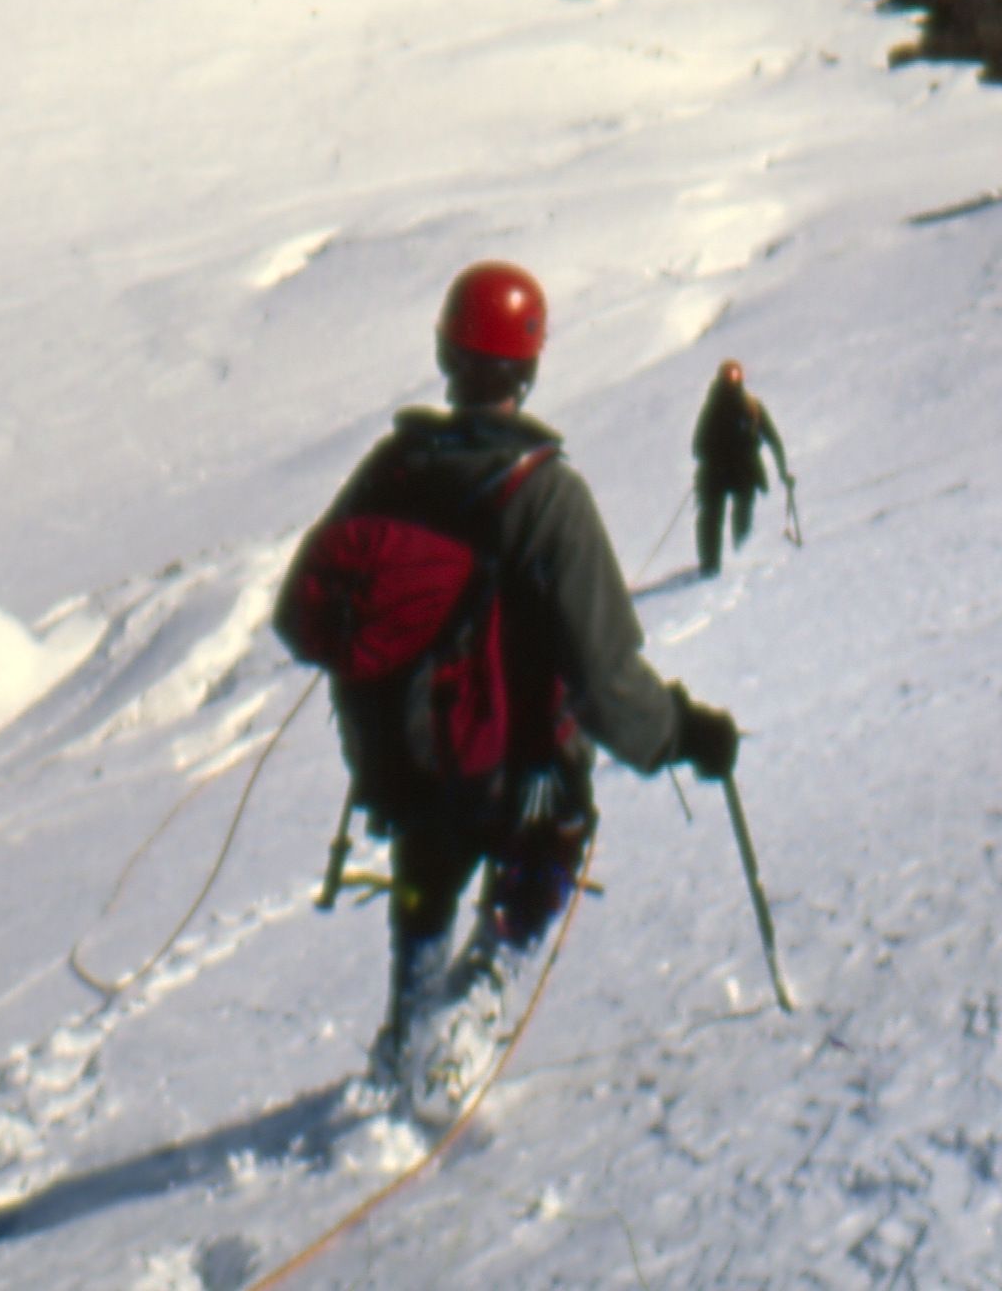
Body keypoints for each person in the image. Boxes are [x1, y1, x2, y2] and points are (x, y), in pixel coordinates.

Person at [281, 260, 742, 1108]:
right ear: (527, 368)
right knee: (551, 843)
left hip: (396, 761)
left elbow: (300, 612)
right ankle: (467, 1024)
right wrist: (684, 734)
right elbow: (605, 678)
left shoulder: (391, 467)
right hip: (511, 773)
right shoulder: (544, 495)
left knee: (429, 862)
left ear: (445, 354)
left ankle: (408, 1032)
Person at [689, 357, 792, 577]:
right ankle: (715, 564)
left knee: (726, 516)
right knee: (715, 518)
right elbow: (698, 446)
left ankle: (730, 560)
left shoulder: (747, 407)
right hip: (727, 472)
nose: (732, 381)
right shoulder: (736, 407)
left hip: (733, 472)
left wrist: (783, 470)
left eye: (734, 375)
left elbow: (773, 438)